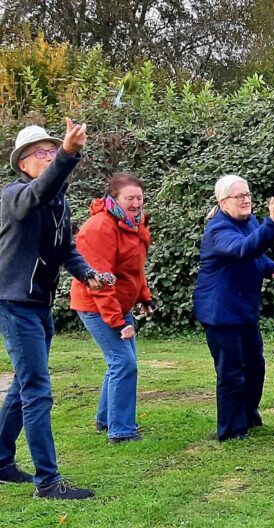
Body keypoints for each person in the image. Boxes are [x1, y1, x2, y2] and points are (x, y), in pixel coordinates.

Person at [0, 120, 105, 499]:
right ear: (23, 164)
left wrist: (88, 274)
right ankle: (48, 482)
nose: (48, 156)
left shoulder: (58, 202)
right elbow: (39, 192)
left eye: (51, 150)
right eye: (41, 153)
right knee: (37, 391)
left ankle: (0, 460)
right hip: (15, 304)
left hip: (38, 305)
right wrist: (67, 152)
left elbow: (66, 250)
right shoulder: (15, 196)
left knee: (25, 385)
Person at [192, 175, 274, 442]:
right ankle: (231, 429)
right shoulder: (217, 230)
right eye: (239, 196)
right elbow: (243, 250)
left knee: (255, 367)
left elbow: (257, 254)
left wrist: (272, 269)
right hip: (220, 312)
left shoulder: (249, 222)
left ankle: (248, 415)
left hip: (243, 310)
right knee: (231, 372)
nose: (246, 200)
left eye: (247, 194)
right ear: (223, 202)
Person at [70, 172, 154, 444]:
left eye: (139, 198)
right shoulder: (100, 227)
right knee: (123, 362)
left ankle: (106, 419)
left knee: (119, 363)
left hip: (120, 303)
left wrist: (144, 296)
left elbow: (133, 269)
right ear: (114, 198)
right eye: (129, 198)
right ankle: (121, 431)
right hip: (97, 304)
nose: (135, 203)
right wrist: (117, 322)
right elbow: (98, 281)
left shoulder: (133, 224)